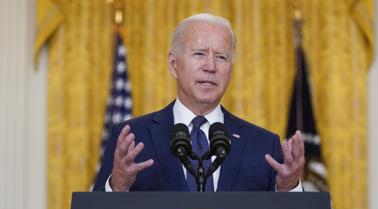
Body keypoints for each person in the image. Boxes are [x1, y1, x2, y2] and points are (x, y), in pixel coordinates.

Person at [93, 13, 305, 192]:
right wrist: (118, 185)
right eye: (199, 54)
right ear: (173, 65)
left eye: (221, 57)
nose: (210, 66)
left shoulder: (264, 146)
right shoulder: (132, 138)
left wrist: (288, 187)